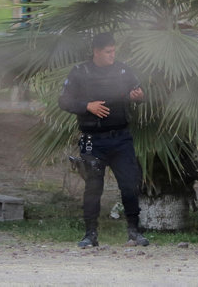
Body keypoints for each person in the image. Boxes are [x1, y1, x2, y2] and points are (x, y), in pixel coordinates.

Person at [58, 32, 149, 248]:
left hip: (121, 138)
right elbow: (64, 100)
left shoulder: (123, 70)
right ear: (96, 52)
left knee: (129, 185)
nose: (112, 55)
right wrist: (87, 106)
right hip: (92, 140)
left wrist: (138, 96)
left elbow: (139, 93)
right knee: (93, 187)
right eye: (108, 52)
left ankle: (134, 232)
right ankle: (90, 234)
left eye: (114, 51)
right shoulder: (80, 72)